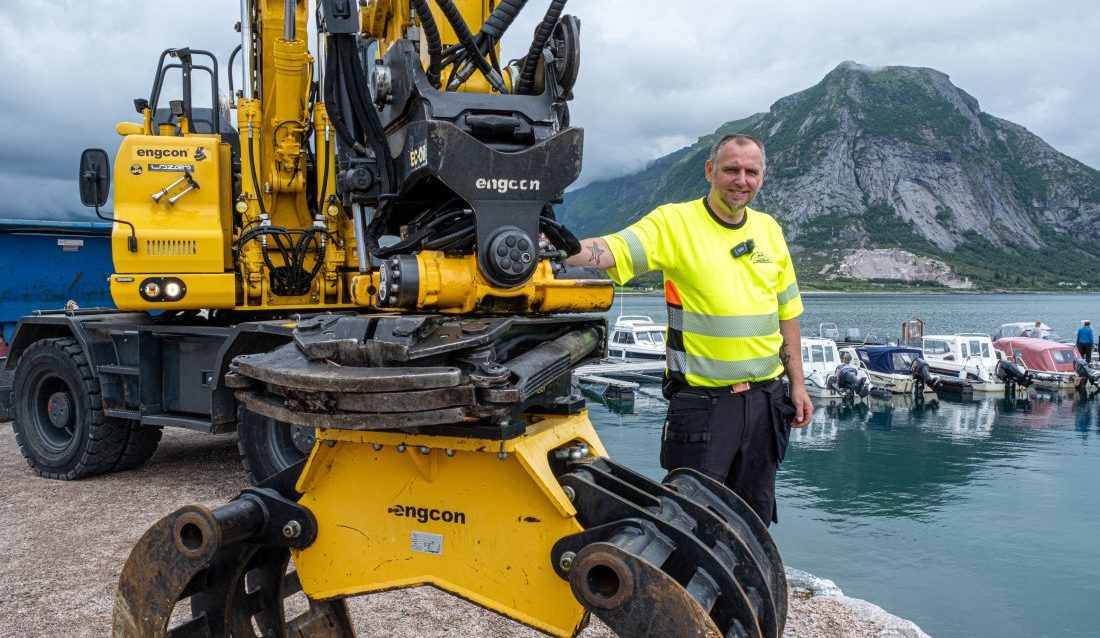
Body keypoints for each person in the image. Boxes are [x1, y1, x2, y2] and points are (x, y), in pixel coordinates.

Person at [566, 133, 812, 526]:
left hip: (766, 403)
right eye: (731, 169)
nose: (741, 180)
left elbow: (788, 314)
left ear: (763, 176)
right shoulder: (675, 223)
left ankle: (743, 588)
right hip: (703, 406)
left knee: (754, 518)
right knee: (689, 520)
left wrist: (797, 385)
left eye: (751, 172)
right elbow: (613, 249)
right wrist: (551, 246)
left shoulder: (769, 230)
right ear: (710, 171)